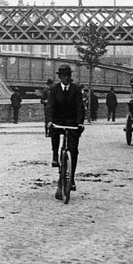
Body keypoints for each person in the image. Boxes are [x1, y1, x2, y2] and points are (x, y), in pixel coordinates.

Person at [47, 64, 85, 199]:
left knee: (73, 150)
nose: (67, 78)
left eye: (69, 75)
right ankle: (55, 156)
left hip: (72, 123)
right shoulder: (54, 90)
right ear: (60, 77)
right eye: (64, 75)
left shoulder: (76, 90)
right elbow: (50, 106)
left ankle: (72, 178)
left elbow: (80, 107)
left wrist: (80, 122)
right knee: (55, 133)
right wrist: (50, 121)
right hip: (58, 121)